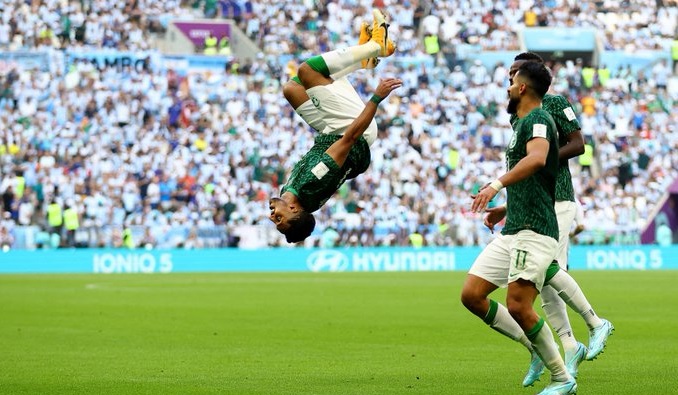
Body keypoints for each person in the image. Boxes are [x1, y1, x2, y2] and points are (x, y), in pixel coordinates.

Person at [460, 61, 576, 395]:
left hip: (536, 228)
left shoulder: (538, 120)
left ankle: (561, 378)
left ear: (523, 88)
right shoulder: (522, 122)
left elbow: (538, 158)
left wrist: (495, 185)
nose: (508, 87)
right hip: (514, 226)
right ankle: (535, 346)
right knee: (472, 295)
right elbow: (533, 177)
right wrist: (505, 207)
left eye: (512, 82)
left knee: (518, 306)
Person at [504, 52, 613, 383]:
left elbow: (578, 143)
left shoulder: (554, 103)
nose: (510, 80)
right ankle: (566, 345)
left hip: (558, 198)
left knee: (547, 270)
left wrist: (544, 158)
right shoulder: (518, 115)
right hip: (531, 204)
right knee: (542, 277)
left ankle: (589, 327)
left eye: (515, 73)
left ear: (530, 75)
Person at [269, 9, 399, 243]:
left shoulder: (290, 195)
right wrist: (376, 99)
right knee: (308, 72)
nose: (272, 217)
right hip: (352, 130)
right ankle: (376, 46)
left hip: (331, 132)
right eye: (280, 219)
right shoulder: (311, 184)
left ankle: (364, 60)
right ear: (295, 210)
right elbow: (348, 141)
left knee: (292, 89)